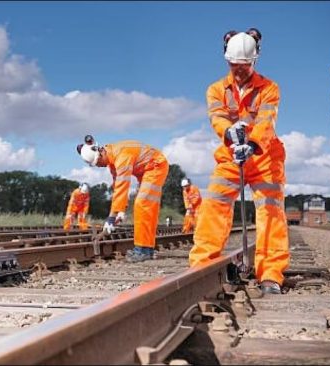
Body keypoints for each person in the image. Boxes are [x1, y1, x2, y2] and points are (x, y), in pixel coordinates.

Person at [188, 28, 289, 295]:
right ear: (227, 60)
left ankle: (270, 274)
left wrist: (253, 144)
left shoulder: (269, 88)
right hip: (232, 154)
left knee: (270, 211)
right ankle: (202, 266)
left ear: (254, 61)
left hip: (265, 156)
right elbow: (217, 117)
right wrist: (229, 133)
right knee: (214, 205)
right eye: (235, 65)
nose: (239, 70)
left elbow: (267, 121)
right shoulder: (215, 89)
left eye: (244, 66)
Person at [77, 135, 169, 263]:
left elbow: (122, 187)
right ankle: (147, 249)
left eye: (98, 163)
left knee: (142, 204)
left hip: (156, 166)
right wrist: (120, 211)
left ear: (101, 154)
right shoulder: (112, 161)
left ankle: (142, 250)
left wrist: (111, 218)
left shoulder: (121, 157)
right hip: (146, 170)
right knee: (146, 208)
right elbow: (117, 188)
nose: (99, 166)